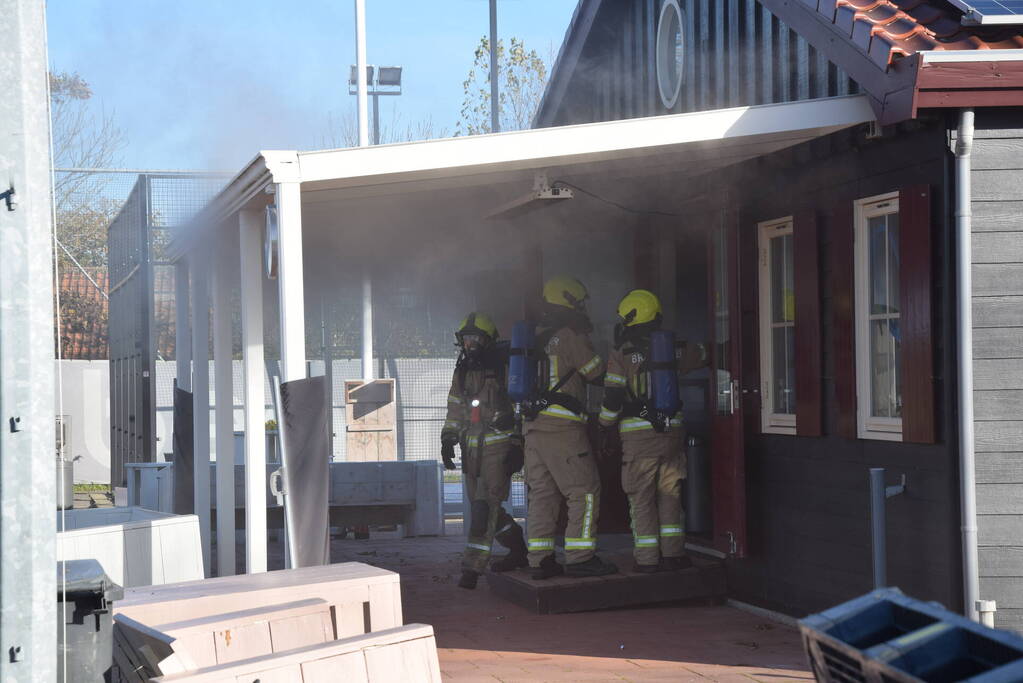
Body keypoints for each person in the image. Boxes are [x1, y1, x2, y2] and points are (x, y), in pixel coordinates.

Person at [599, 289, 703, 572]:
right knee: (670, 493)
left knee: (641, 497)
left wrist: (605, 425)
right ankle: (673, 554)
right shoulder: (672, 346)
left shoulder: (620, 353)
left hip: (638, 436)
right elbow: (702, 356)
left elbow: (613, 397)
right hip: (672, 432)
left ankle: (647, 559)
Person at [523, 276, 617, 579]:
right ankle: (579, 557)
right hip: (563, 430)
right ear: (570, 302)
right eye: (580, 303)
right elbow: (596, 374)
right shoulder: (569, 335)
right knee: (584, 492)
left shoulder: (534, 336)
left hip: (533, 428)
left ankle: (539, 559)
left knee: (542, 495)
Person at [441, 313, 527, 590]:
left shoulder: (505, 367)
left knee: (483, 508)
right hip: (471, 449)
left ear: (487, 340)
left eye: (475, 338)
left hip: (498, 446)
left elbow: (521, 404)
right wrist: (448, 437)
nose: (470, 344)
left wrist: (516, 440)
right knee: (488, 509)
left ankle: (472, 568)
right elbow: (455, 406)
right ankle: (518, 548)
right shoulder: (463, 370)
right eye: (466, 339)